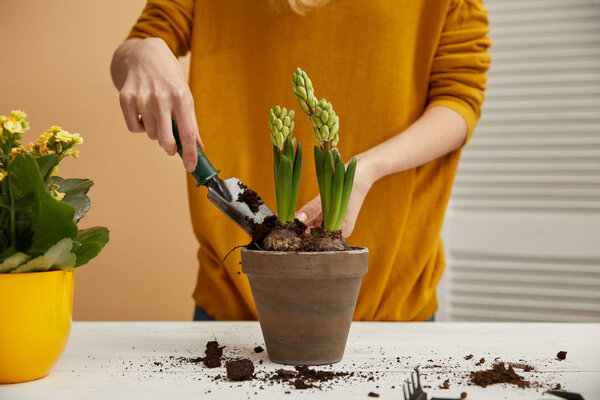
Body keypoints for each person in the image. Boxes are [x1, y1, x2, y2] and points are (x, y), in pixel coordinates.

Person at [111, 0, 491, 321]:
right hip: (235, 306)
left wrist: (363, 170)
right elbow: (146, 37)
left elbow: (460, 97)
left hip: (393, 305)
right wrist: (141, 53)